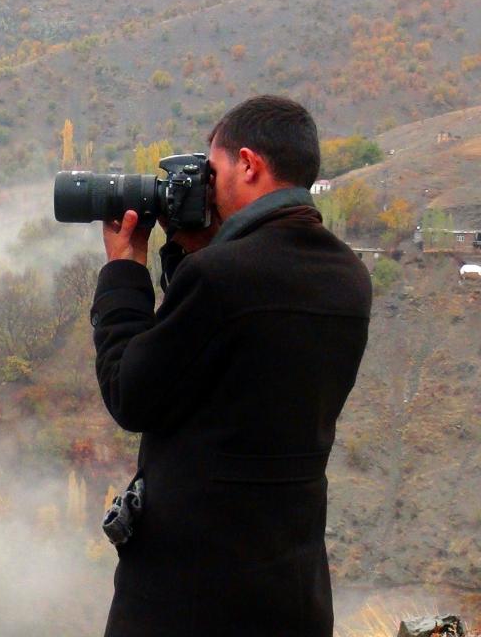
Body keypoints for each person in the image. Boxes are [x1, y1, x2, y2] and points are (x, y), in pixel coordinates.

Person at [90, 95, 372, 636]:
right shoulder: (348, 277)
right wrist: (196, 253)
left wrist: (124, 272)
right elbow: (241, 361)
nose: (207, 189)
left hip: (192, 598)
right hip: (293, 586)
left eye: (212, 171)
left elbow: (130, 392)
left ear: (248, 163)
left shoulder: (223, 277)